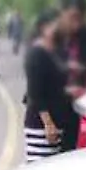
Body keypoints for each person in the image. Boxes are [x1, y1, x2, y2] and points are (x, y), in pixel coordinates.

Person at [23, 9, 77, 159]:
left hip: (62, 123)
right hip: (43, 127)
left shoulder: (58, 51)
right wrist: (48, 124)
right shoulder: (36, 54)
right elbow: (35, 93)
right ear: (44, 28)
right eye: (56, 24)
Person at [56, 0, 86, 93]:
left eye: (80, 18)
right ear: (62, 13)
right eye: (72, 17)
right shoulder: (50, 36)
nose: (77, 24)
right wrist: (66, 67)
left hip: (81, 95)